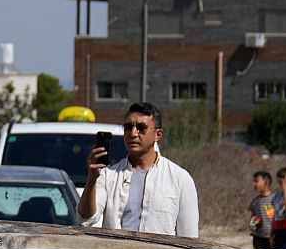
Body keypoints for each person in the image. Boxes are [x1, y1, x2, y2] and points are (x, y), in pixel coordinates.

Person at [77, 102, 199, 237]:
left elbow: (189, 238)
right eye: (128, 127)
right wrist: (92, 178)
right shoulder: (108, 175)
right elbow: (86, 219)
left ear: (158, 134)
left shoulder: (180, 179)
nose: (133, 133)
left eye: (141, 127)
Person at [248, 170, 276, 249]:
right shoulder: (255, 201)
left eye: (256, 181)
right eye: (253, 181)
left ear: (266, 182)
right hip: (258, 238)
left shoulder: (276, 198)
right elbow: (253, 218)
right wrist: (252, 224)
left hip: (273, 237)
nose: (254, 184)